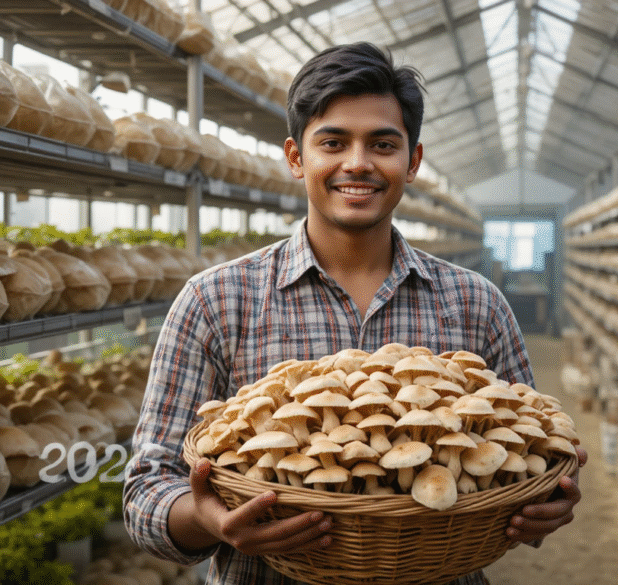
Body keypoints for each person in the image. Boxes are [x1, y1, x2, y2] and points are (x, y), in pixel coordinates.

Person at [123, 41, 585, 585]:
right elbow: (147, 489)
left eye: (383, 144)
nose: (358, 163)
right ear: (297, 158)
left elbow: (527, 446)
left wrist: (544, 505)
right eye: (333, 142)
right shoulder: (215, 300)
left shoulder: (477, 302)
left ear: (412, 161)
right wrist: (209, 520)